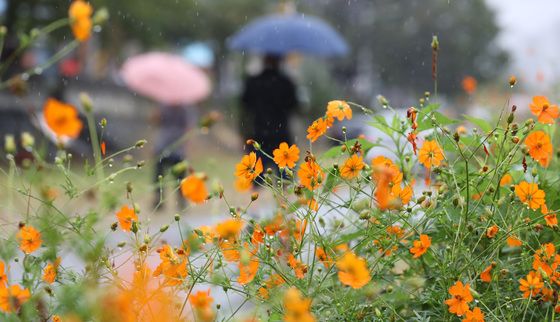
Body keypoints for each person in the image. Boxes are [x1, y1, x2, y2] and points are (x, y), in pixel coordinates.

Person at [240, 54, 298, 174]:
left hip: (259, 133)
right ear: (279, 61)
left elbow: (245, 104)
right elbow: (294, 105)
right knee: (286, 179)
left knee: (256, 177)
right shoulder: (286, 82)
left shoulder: (253, 82)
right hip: (281, 134)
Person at [152, 104, 192, 210]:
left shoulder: (185, 109)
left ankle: (181, 200)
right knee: (158, 175)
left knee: (180, 177)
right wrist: (156, 114)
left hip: (178, 146)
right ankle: (158, 200)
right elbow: (155, 121)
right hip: (163, 145)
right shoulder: (163, 106)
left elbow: (188, 126)